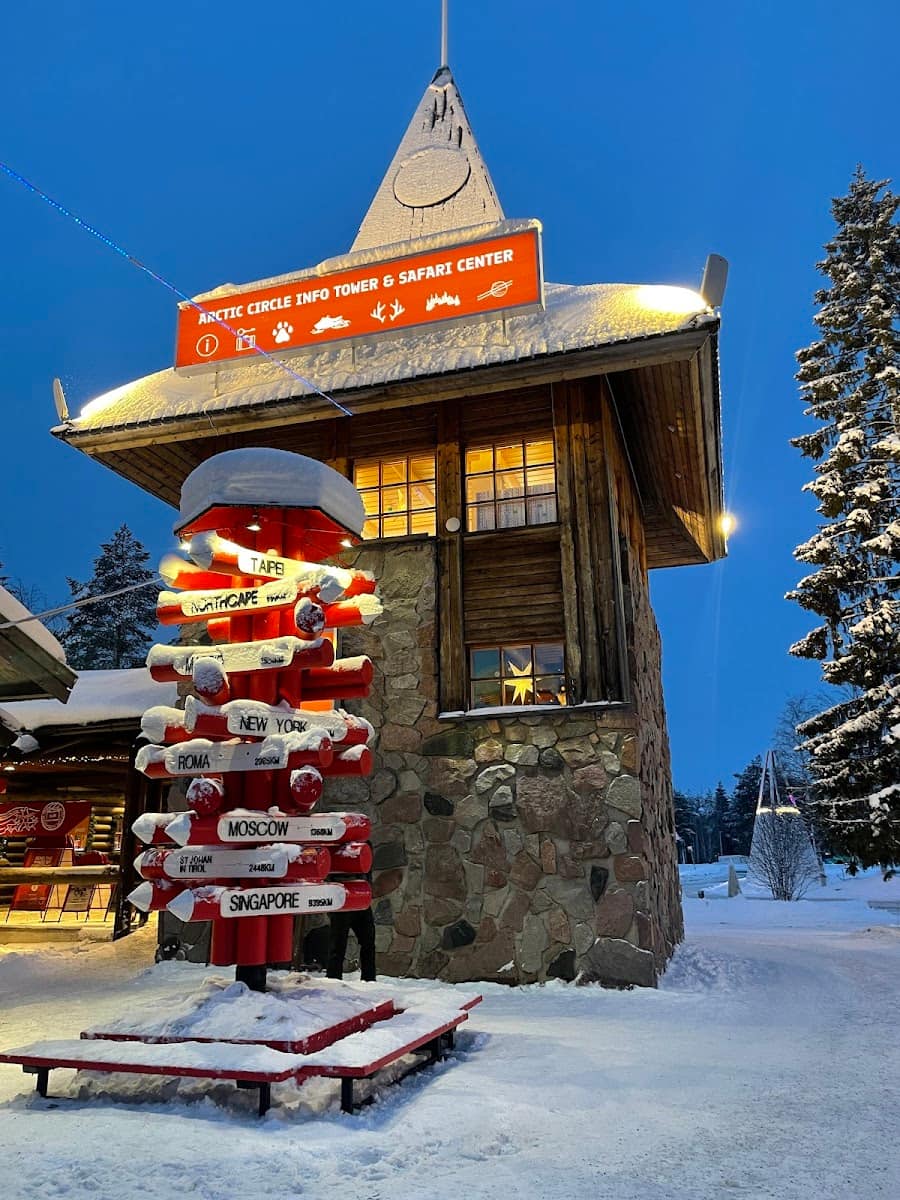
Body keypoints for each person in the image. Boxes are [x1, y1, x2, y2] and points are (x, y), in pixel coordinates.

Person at [326, 902, 376, 982]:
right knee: (337, 945)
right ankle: (333, 980)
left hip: (361, 903)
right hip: (341, 904)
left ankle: (369, 980)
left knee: (369, 943)